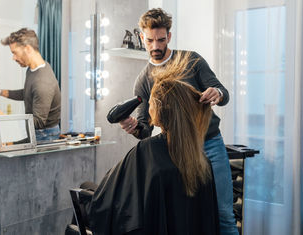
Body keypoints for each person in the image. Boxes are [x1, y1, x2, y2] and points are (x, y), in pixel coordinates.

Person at [120, 8, 239, 235]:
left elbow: (223, 92)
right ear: (142, 38)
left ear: (169, 37)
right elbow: (145, 130)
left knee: (223, 214)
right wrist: (135, 127)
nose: (155, 46)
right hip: (175, 152)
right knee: (188, 216)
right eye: (150, 40)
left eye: (161, 40)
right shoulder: (143, 80)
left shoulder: (191, 60)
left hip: (209, 144)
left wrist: (218, 93)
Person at [87, 61, 220, 234]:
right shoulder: (202, 160)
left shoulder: (146, 149)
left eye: (150, 103)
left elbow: (109, 201)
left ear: (158, 110)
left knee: (89, 190)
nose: (148, 107)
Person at [0, 28, 61, 141]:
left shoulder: (43, 82)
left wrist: (4, 118)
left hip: (44, 135)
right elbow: (28, 93)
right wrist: (0, 92)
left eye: (15, 53)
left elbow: (38, 122)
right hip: (37, 131)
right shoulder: (34, 69)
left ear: (28, 49)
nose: (13, 58)